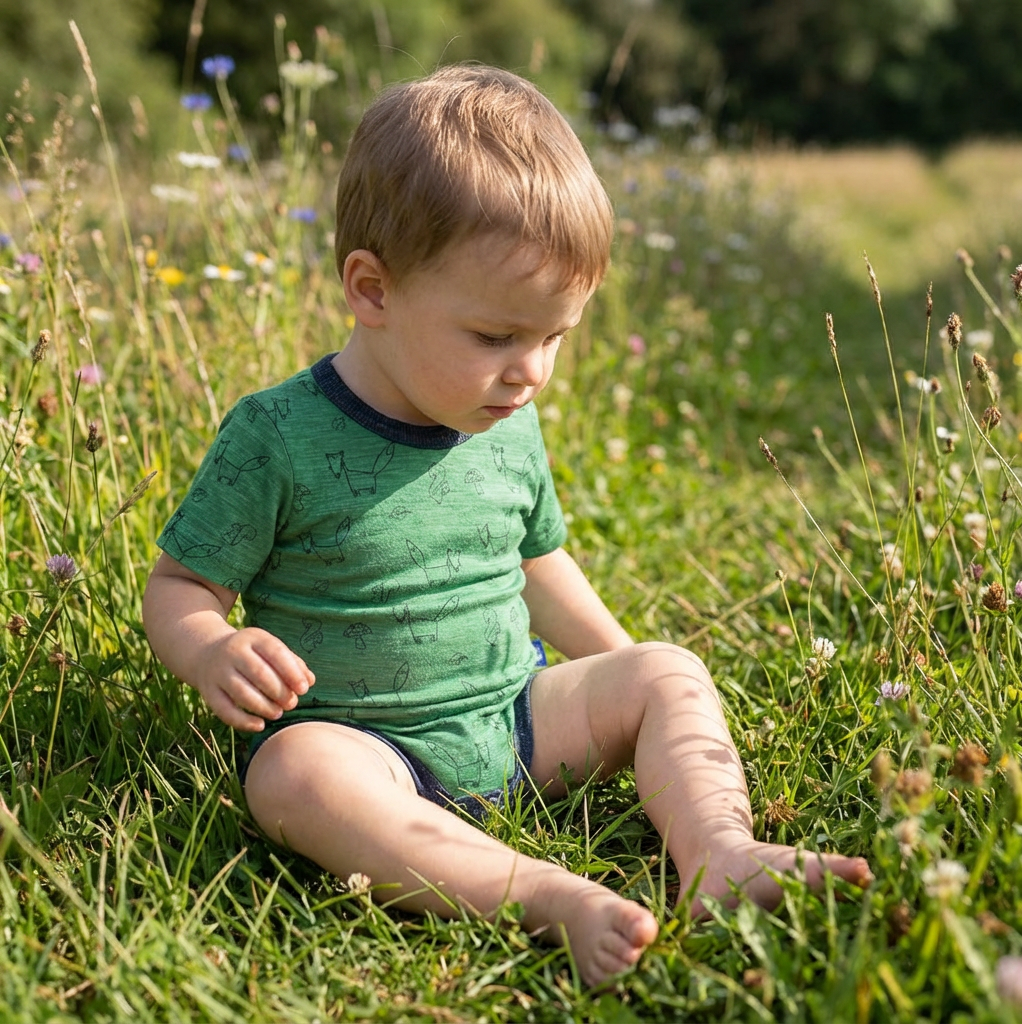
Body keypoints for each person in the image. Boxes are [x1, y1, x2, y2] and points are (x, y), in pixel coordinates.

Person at [142, 64, 871, 986]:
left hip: (515, 718)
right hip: (367, 750)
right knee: (291, 777)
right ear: (372, 289)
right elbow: (179, 585)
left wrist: (624, 671)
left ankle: (722, 851)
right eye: (495, 337)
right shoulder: (277, 436)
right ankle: (538, 894)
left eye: (554, 338)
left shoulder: (505, 420)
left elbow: (537, 563)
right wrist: (210, 648)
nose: (530, 372)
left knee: (669, 670)